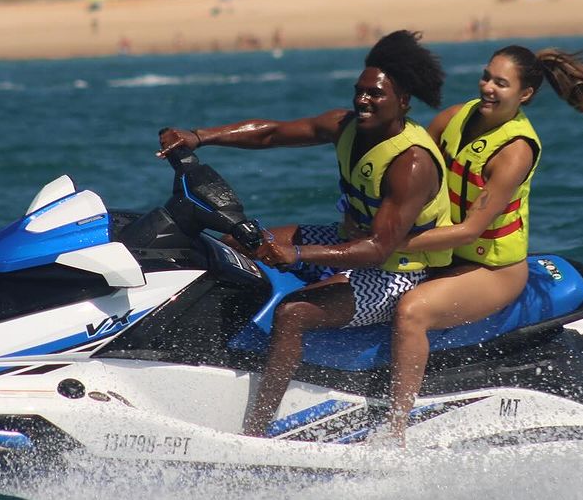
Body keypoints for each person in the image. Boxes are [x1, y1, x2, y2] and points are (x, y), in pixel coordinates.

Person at [156, 30, 453, 437]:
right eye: (359, 91)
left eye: (376, 95)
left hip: (397, 271)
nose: (363, 100)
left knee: (293, 315)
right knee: (233, 245)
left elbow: (379, 247)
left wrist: (298, 255)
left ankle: (257, 431)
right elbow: (271, 133)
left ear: (402, 101)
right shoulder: (345, 125)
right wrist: (199, 137)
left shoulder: (411, 163)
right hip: (350, 241)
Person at [385, 44, 583, 442]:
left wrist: (393, 241)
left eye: (501, 83)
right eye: (487, 76)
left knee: (411, 312)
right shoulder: (453, 117)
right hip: (441, 254)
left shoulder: (515, 150)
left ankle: (395, 430)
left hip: (492, 271)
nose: (488, 87)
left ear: (524, 95)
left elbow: (472, 230)